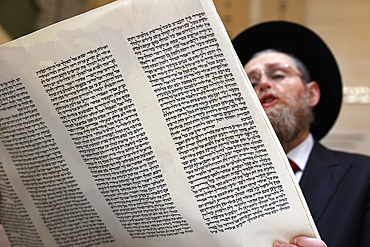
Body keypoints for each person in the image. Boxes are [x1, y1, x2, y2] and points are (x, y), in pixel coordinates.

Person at [233, 21, 370, 247]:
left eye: (277, 75)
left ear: (311, 94)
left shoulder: (363, 178)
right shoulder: (224, 183)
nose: (263, 84)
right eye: (252, 83)